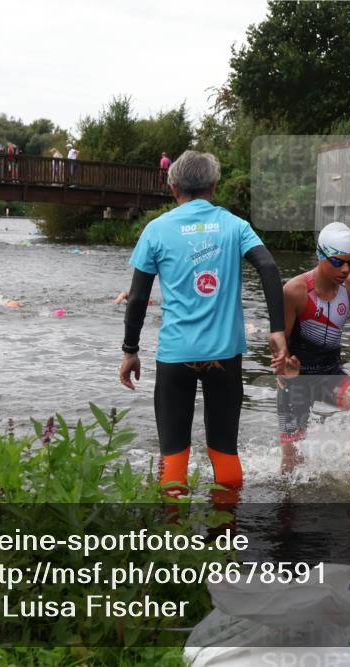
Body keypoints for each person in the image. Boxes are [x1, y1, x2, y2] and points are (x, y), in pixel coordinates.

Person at [118, 150, 287, 500]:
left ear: (173, 186)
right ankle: (224, 538)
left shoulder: (156, 230)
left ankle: (174, 541)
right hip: (224, 356)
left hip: (175, 356)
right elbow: (269, 269)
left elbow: (136, 299)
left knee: (174, 454)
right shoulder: (235, 226)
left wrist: (130, 350)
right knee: (225, 450)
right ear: (214, 186)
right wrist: (277, 330)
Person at [276, 222, 350, 484]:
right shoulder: (294, 291)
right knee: (290, 465)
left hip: (329, 375)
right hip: (296, 380)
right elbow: (276, 341)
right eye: (337, 262)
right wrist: (284, 362)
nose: (345, 269)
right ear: (320, 255)